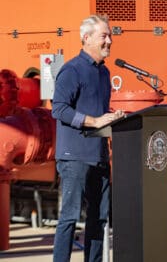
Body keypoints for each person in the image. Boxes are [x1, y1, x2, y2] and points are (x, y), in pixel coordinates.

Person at [52, 14, 124, 262]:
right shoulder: (72, 70)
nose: (109, 41)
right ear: (87, 38)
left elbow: (98, 112)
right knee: (70, 217)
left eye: (110, 35)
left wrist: (113, 118)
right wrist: (94, 121)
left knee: (99, 217)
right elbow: (59, 109)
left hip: (99, 154)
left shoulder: (104, 74)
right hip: (74, 156)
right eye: (104, 35)